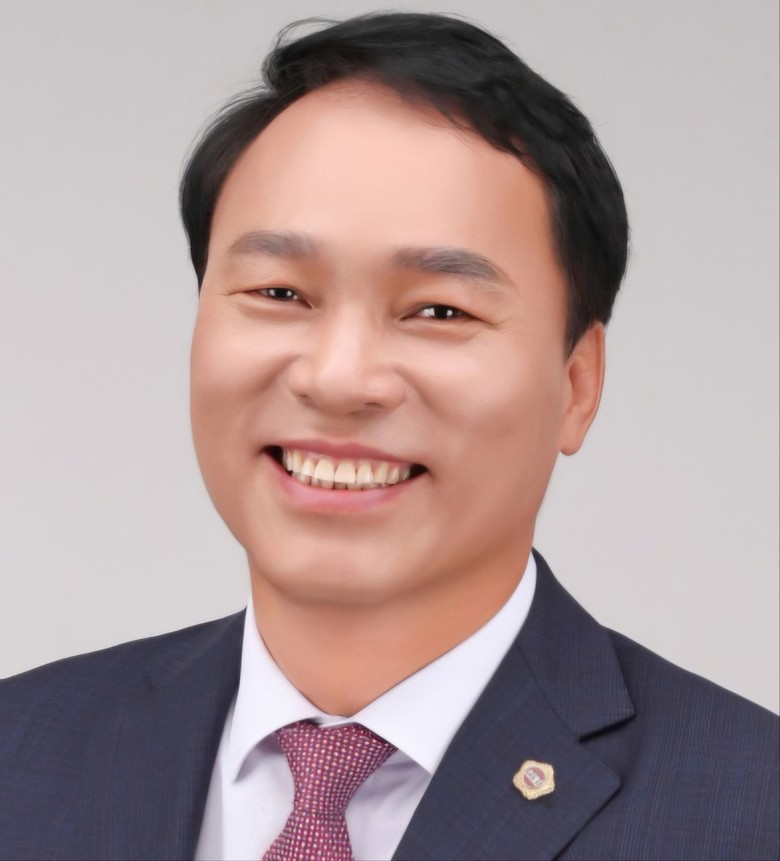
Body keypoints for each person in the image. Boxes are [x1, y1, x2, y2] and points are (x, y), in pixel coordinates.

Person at [0, 12, 777, 861]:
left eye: (438, 310)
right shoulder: (21, 752)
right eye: (280, 294)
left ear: (577, 384)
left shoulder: (747, 810)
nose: (338, 379)